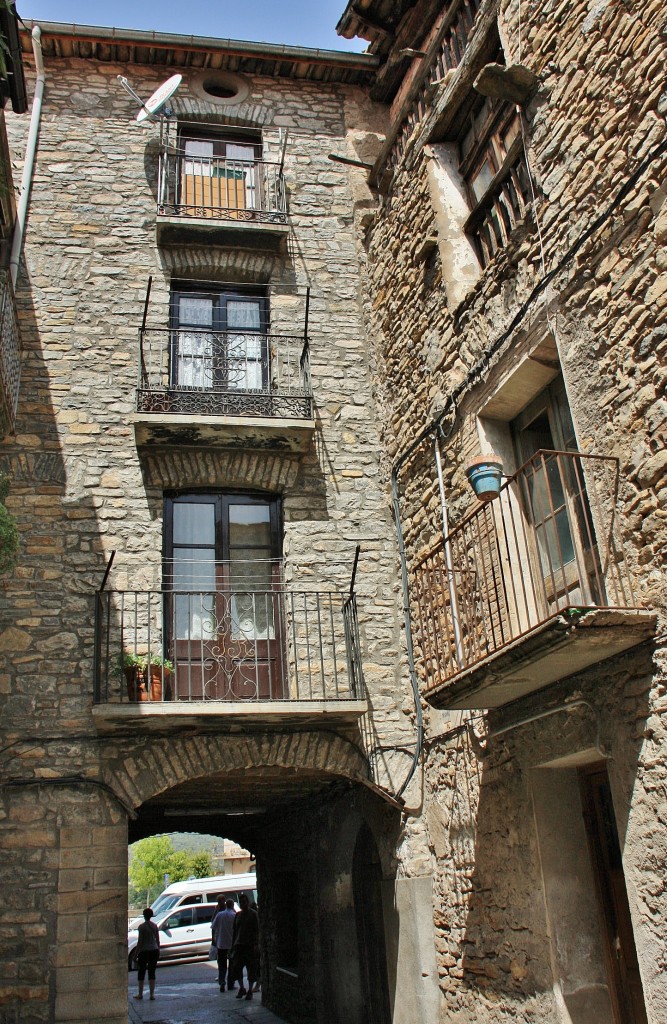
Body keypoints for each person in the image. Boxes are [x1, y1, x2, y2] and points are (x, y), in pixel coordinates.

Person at [229, 894, 259, 1000]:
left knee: (251, 969)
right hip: (239, 945)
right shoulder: (238, 915)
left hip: (250, 945)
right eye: (241, 902)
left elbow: (257, 930)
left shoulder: (253, 914)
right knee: (237, 968)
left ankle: (250, 990)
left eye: (244, 902)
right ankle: (242, 988)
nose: (243, 904)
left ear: (247, 902)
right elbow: (235, 931)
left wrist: (256, 944)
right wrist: (232, 946)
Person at [134, 908, 160, 1001]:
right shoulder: (155, 926)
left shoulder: (141, 927)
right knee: (152, 972)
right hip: (154, 950)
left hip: (144, 952)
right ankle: (152, 995)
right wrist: (158, 950)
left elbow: (140, 942)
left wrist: (135, 955)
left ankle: (140, 994)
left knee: (141, 972)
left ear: (144, 915)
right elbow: (157, 940)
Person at [211, 898, 236, 992]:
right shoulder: (234, 915)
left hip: (221, 944)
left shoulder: (220, 915)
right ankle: (230, 984)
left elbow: (213, 927)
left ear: (226, 905)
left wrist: (214, 940)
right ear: (232, 906)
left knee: (222, 965)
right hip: (231, 944)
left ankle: (222, 982)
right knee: (232, 965)